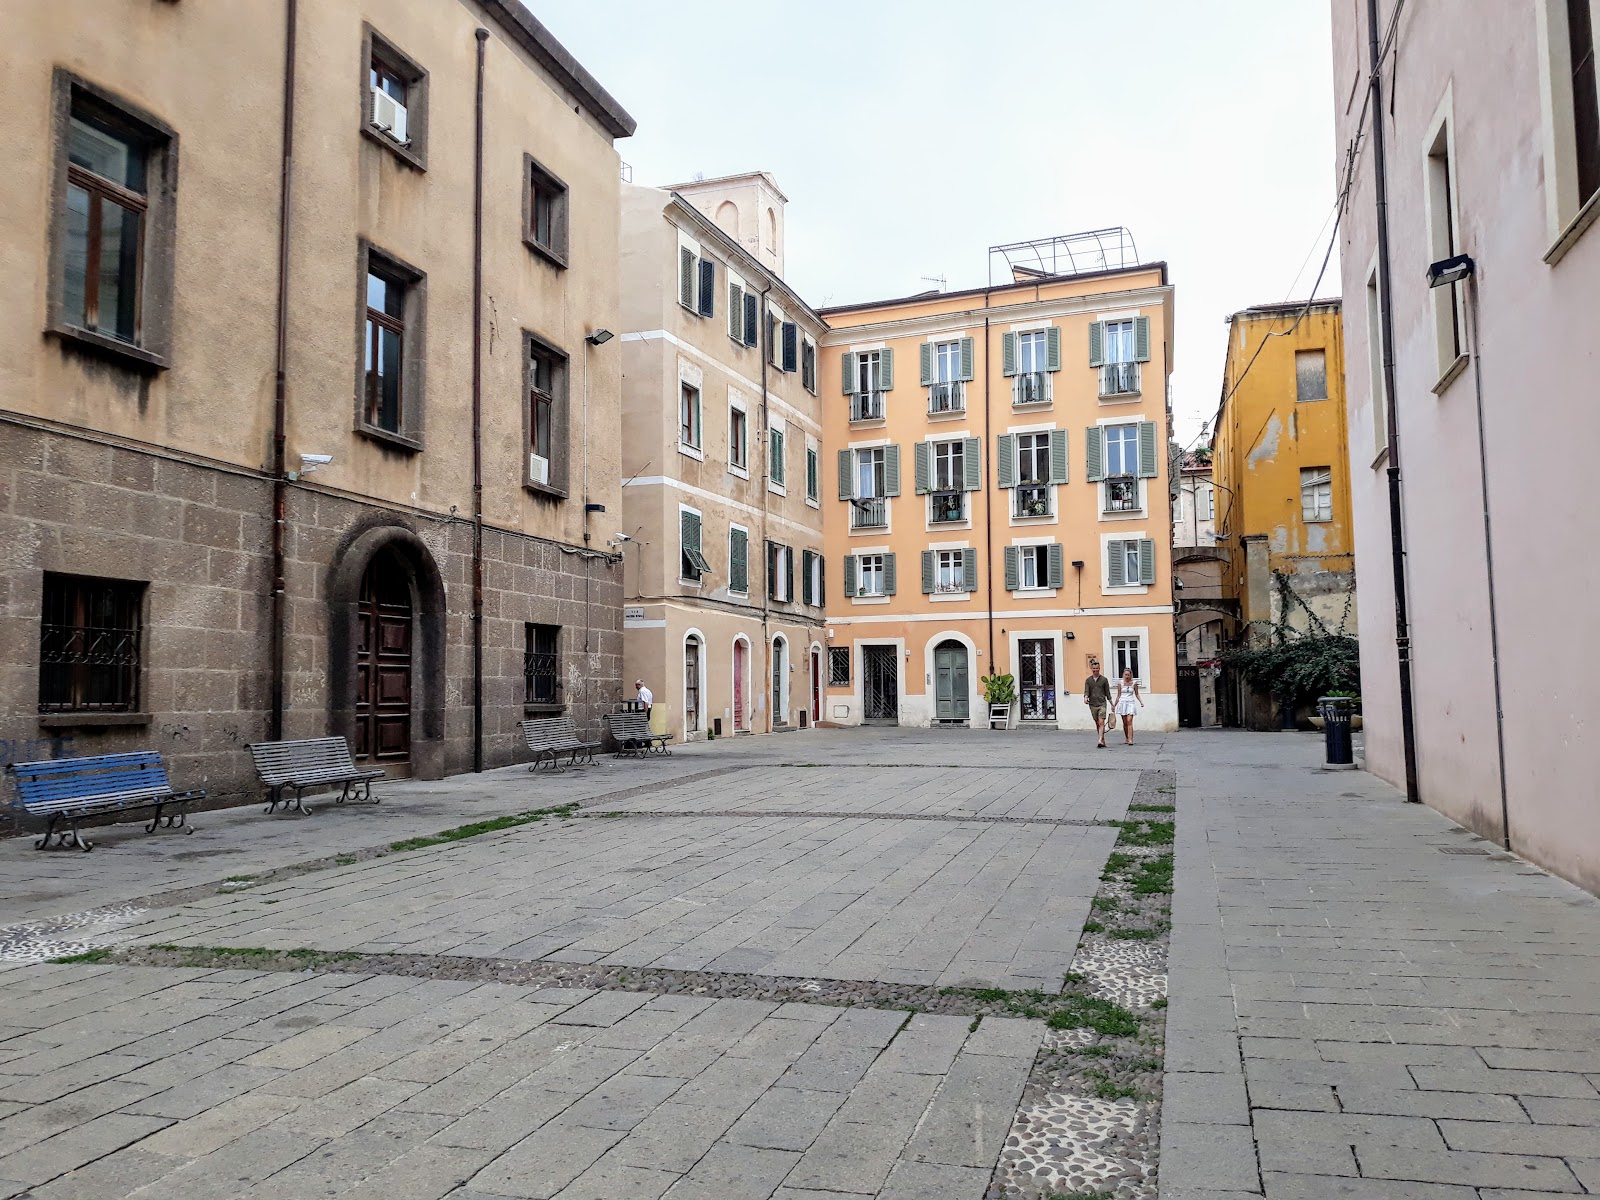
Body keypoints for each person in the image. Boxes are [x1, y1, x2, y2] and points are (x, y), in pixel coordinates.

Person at [1082, 660, 1113, 749]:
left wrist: (1112, 704)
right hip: (1092, 704)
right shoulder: (1088, 680)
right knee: (1097, 723)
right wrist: (1085, 697)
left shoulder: (1104, 680)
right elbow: (1086, 691)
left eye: (1097, 668)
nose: (1095, 670)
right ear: (1091, 669)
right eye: (1094, 668)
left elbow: (1107, 692)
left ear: (1099, 668)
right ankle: (1102, 739)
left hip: (1102, 703)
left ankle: (1099, 740)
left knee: (1101, 721)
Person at [1112, 667, 1144, 744]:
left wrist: (1141, 702)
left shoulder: (1134, 683)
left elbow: (1137, 694)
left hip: (1130, 703)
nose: (1127, 676)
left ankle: (1130, 739)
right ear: (1123, 675)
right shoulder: (1120, 683)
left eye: (1128, 675)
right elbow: (1118, 695)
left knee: (1129, 721)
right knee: (1125, 722)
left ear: (1131, 675)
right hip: (1122, 703)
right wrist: (1114, 705)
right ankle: (1126, 737)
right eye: (1125, 675)